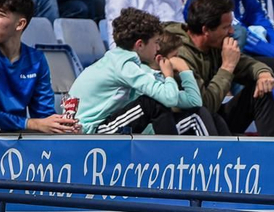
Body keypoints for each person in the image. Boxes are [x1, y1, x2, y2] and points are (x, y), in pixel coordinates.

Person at [65, 7, 204, 133]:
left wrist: (185, 71)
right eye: (156, 42)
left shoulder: (126, 64)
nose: (158, 48)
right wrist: (168, 76)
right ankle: (168, 157)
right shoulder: (124, 65)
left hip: (98, 127)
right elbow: (169, 98)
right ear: (140, 44)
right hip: (88, 133)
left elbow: (194, 101)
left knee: (168, 105)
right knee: (151, 103)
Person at [0, 0, 79, 134]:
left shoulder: (36, 59)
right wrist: (31, 123)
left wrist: (60, 125)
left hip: (20, 135)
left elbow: (43, 115)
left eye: (0, 14)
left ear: (20, 24)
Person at [171, 0, 274, 136]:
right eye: (226, 27)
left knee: (260, 90)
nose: (232, 31)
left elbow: (247, 64)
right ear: (206, 30)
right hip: (190, 124)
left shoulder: (214, 44)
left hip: (214, 117)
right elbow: (203, 106)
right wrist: (227, 67)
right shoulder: (178, 54)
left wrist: (263, 74)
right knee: (208, 115)